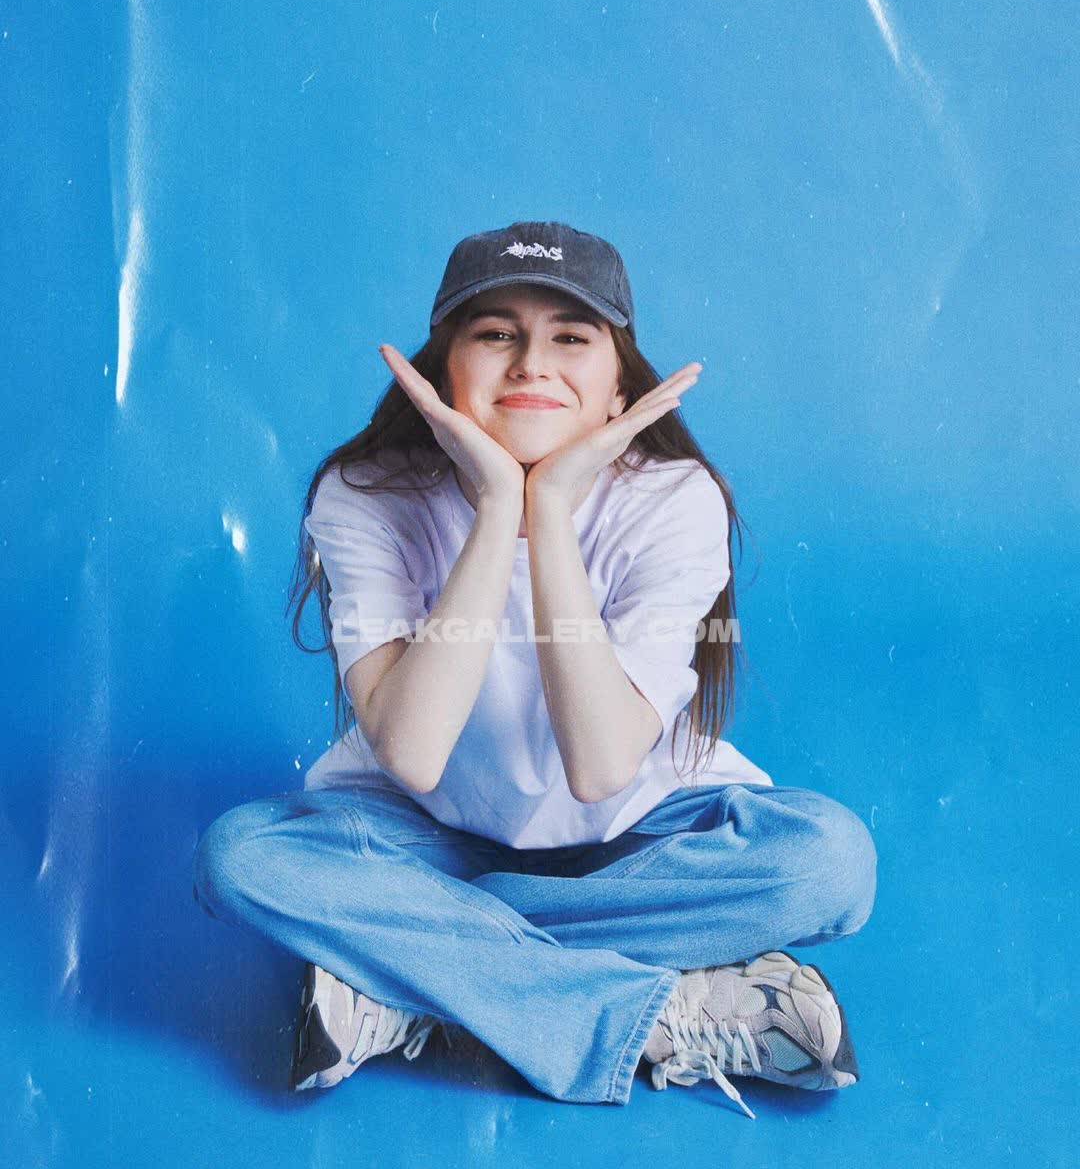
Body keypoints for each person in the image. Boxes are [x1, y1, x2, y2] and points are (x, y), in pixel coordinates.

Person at [192, 219, 877, 1119]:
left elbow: (601, 767)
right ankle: (662, 1013)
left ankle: (414, 972)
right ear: (444, 368)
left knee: (827, 864)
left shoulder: (675, 500)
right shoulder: (363, 494)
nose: (530, 365)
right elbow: (414, 755)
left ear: (619, 381)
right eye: (495, 334)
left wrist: (546, 508)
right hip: (428, 829)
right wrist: (495, 512)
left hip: (635, 834)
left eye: (570, 338)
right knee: (244, 858)